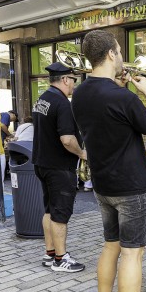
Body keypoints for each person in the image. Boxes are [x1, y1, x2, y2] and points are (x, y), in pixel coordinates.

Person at [72, 29, 146, 292]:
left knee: (111, 245)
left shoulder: (81, 93)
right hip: (132, 187)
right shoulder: (123, 97)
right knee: (132, 254)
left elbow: (107, 118)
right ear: (112, 53)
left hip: (102, 184)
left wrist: (122, 88)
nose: (122, 56)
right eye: (120, 51)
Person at [32, 62, 86, 273]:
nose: (73, 84)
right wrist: (82, 153)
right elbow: (66, 139)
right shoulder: (62, 103)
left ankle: (50, 253)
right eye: (73, 80)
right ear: (65, 79)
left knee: (49, 210)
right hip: (59, 167)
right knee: (61, 214)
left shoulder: (42, 99)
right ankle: (60, 259)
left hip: (42, 163)